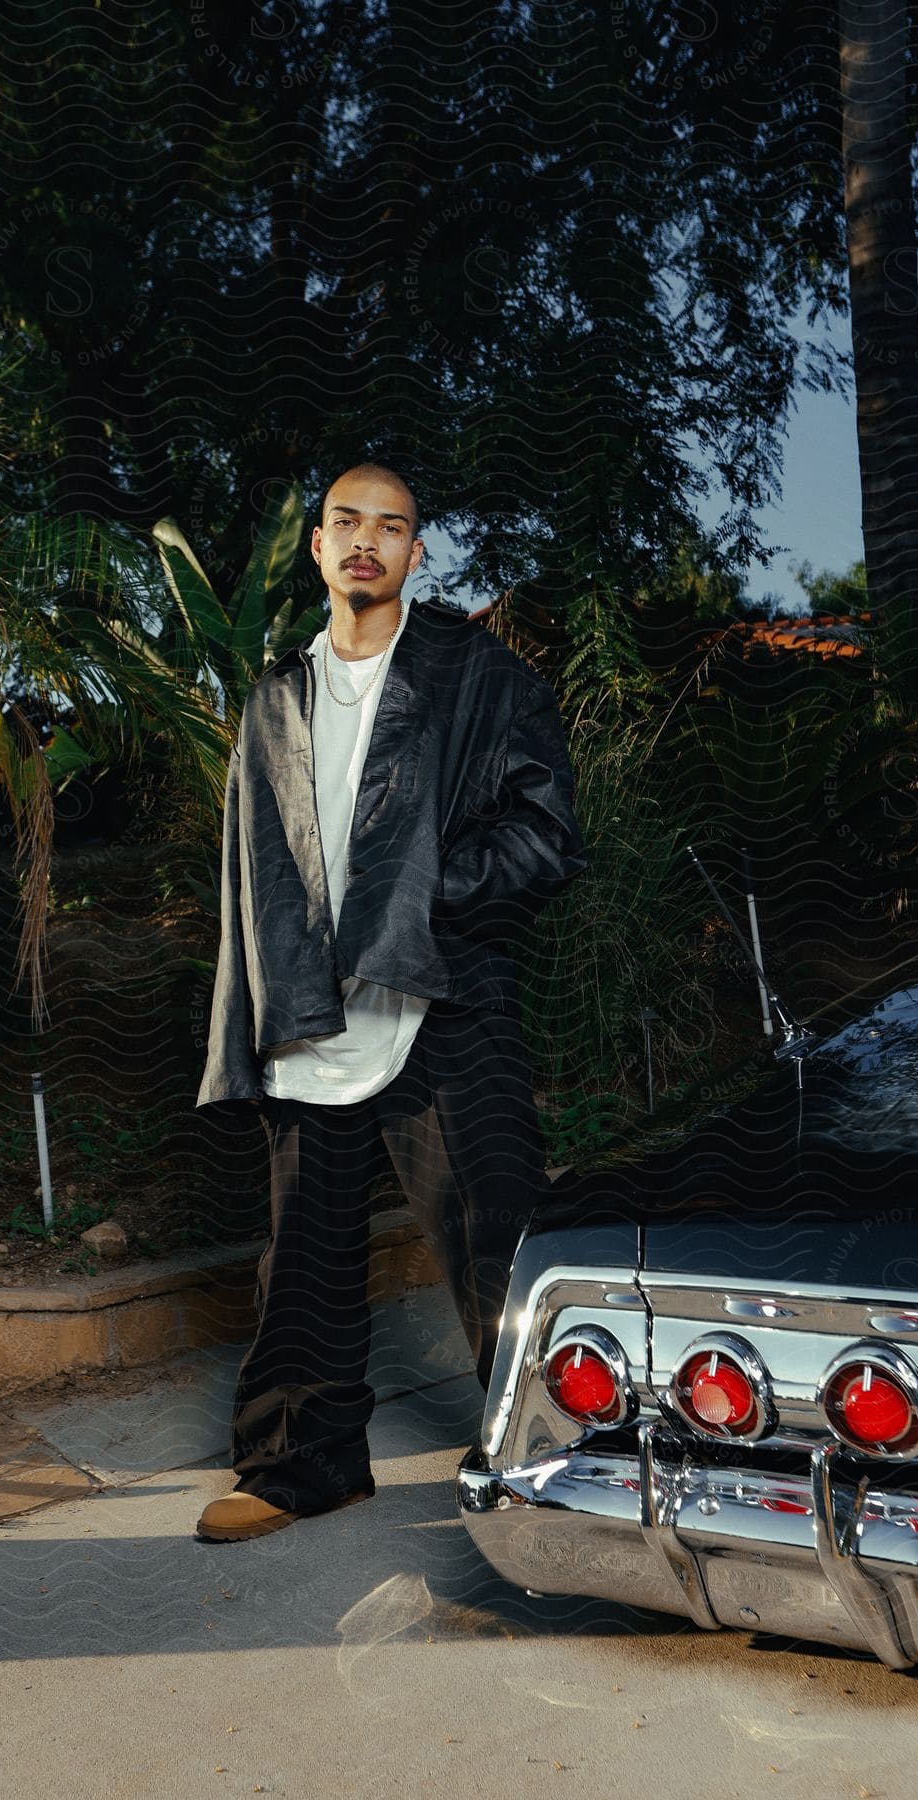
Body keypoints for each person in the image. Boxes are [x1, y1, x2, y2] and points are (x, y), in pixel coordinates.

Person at [194, 463, 586, 1542]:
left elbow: (546, 834)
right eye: (346, 523)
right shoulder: (275, 697)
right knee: (302, 1258)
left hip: (442, 1001)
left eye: (392, 526)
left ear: (418, 554)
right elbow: (253, 870)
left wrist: (423, 896)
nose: (367, 541)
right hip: (312, 1020)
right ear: (316, 548)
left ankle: (564, 1461)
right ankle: (297, 1467)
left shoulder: (479, 676)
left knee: (502, 1244)